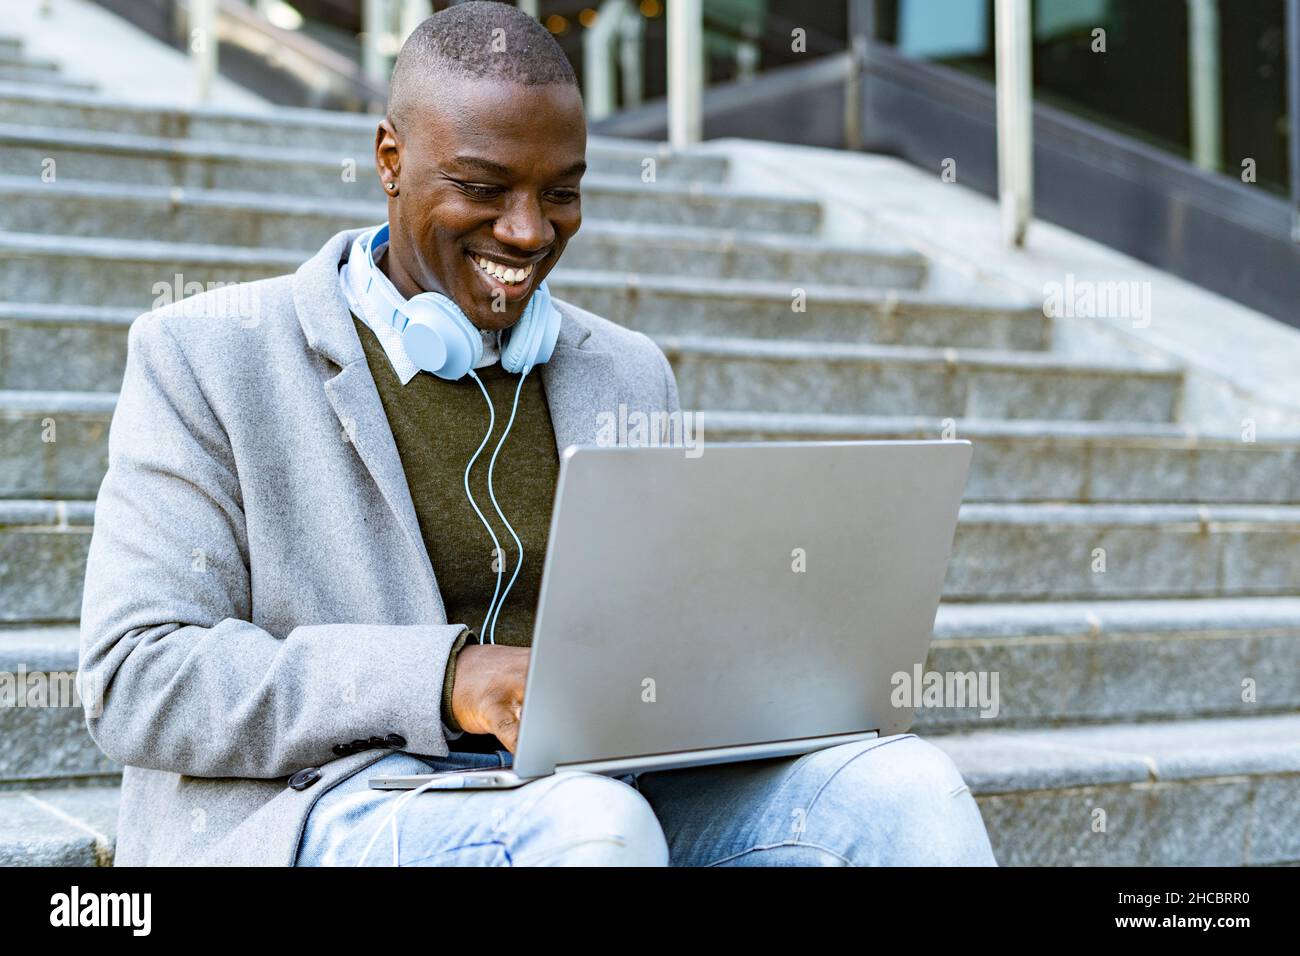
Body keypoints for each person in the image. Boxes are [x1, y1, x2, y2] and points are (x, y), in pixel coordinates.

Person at [79, 1, 996, 867]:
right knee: (588, 827)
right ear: (390, 158)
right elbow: (136, 675)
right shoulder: (206, 354)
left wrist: (768, 683)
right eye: (483, 188)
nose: (527, 231)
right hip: (332, 799)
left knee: (902, 790)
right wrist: (448, 679)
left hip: (596, 790)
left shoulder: (627, 371)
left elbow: (658, 643)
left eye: (561, 193)